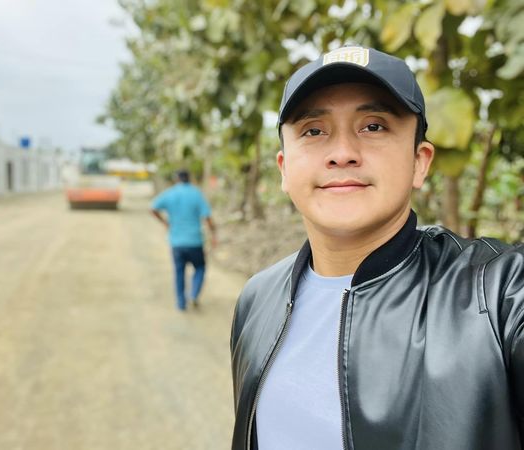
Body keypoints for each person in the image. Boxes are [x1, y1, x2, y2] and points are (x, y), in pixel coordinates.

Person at [230, 45, 524, 450]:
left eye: (373, 126)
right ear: (284, 168)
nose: (342, 154)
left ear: (420, 161)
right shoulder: (257, 300)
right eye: (313, 131)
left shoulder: (498, 295)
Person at [151, 169, 217, 311]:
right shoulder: (196, 193)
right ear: (189, 178)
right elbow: (207, 217)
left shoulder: (170, 193)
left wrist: (165, 222)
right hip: (195, 241)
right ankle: (193, 294)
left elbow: (153, 208)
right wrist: (213, 235)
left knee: (179, 272)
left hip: (176, 242)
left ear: (177, 179)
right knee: (200, 267)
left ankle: (181, 303)